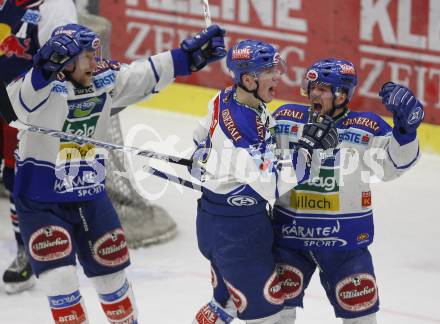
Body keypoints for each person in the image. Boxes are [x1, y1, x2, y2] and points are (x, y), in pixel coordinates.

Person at [2, 22, 226, 323]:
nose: (96, 63)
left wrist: (188, 56)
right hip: (41, 202)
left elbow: (143, 75)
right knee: (61, 281)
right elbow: (16, 103)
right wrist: (42, 70)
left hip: (91, 197)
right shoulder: (35, 86)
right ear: (65, 62)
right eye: (88, 58)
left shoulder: (104, 78)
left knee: (113, 281)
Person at [191, 40, 339, 324]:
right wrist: (308, 153)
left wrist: (204, 157)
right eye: (270, 70)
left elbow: (199, 135)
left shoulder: (226, 97)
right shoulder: (241, 133)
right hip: (237, 235)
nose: (278, 75)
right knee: (270, 317)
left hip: (219, 221)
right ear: (248, 79)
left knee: (224, 304)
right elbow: (270, 186)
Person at [271, 58, 423, 323]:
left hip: (346, 242)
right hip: (289, 240)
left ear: (342, 94)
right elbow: (257, 163)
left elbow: (394, 166)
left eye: (323, 89)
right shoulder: (286, 118)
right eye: (312, 86)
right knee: (275, 315)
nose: (314, 93)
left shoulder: (367, 127)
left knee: (361, 318)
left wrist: (405, 133)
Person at [0, 0, 78, 294]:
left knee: (16, 178)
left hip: (20, 106)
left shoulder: (56, 6)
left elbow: (59, 68)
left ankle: (28, 251)